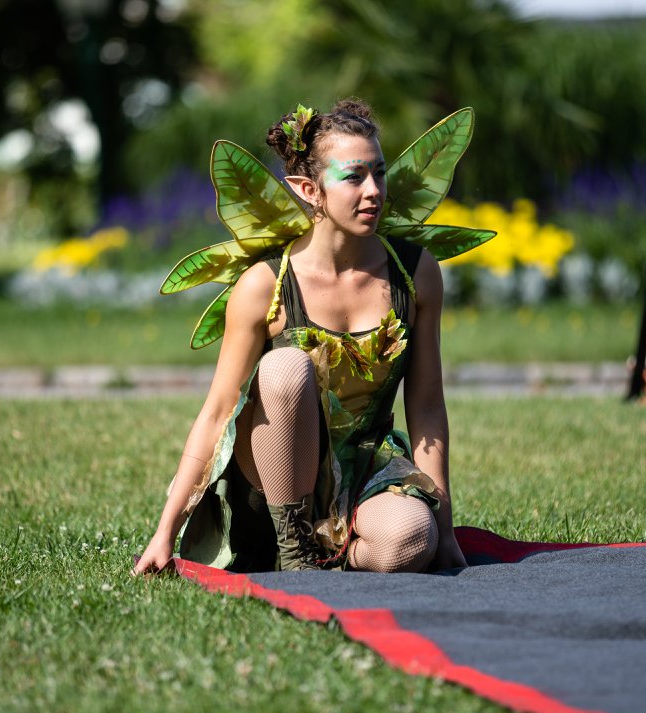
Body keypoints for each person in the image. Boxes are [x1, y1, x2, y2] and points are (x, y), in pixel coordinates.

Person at [132, 99, 477, 575]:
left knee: (410, 540)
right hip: (269, 480)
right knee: (286, 366)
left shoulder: (415, 273)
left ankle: (335, 550)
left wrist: (445, 529)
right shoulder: (264, 285)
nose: (374, 191)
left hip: (362, 471)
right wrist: (165, 533)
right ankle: (293, 548)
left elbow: (427, 407)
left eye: (379, 173)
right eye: (354, 177)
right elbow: (216, 412)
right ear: (309, 190)